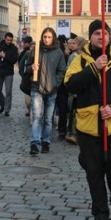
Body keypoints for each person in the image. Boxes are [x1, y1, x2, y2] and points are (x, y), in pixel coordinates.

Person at [64, 19, 111, 220]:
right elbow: (70, 84)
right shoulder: (80, 60)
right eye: (96, 33)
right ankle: (101, 213)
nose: (100, 37)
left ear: (108, 37)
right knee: (93, 171)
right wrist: (94, 68)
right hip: (87, 126)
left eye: (104, 33)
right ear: (91, 36)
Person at [25, 27, 66, 155]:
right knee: (37, 116)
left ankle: (46, 141)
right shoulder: (36, 51)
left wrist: (56, 83)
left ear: (53, 38)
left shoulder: (58, 52)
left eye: (49, 37)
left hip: (52, 89)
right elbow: (25, 67)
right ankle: (35, 143)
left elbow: (62, 71)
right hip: (36, 87)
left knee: (48, 118)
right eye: (44, 37)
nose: (46, 39)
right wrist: (31, 68)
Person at [0, 32, 18, 116]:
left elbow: (14, 60)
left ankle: (7, 110)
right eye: (8, 40)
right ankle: (3, 104)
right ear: (5, 39)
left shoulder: (14, 48)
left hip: (9, 72)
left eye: (10, 40)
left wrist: (5, 57)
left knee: (8, 91)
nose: (9, 41)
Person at [65, 36, 86, 144]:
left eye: (75, 43)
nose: (73, 44)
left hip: (80, 88)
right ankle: (72, 133)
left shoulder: (83, 57)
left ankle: (76, 133)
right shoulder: (73, 56)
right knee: (73, 111)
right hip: (74, 88)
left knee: (77, 111)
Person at [18, 35, 33, 116]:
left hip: (34, 80)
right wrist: (22, 74)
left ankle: (32, 111)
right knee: (27, 99)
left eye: (25, 43)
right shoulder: (25, 53)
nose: (24, 44)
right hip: (26, 78)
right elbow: (20, 63)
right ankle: (29, 109)